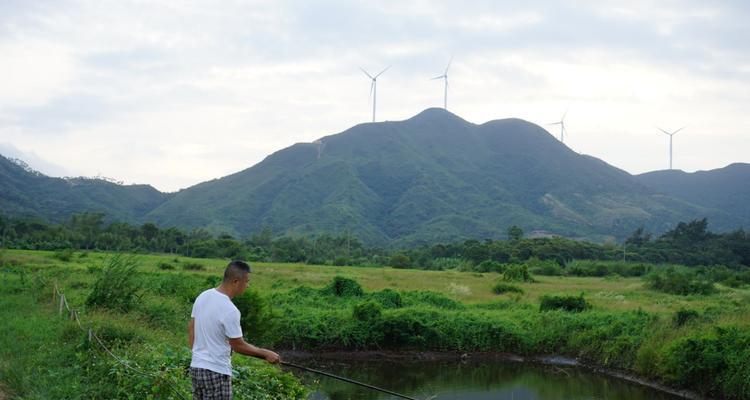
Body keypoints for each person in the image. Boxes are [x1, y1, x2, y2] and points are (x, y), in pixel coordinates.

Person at [189, 260, 280, 400]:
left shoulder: (203, 296)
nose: (247, 286)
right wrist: (265, 354)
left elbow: (191, 328)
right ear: (236, 281)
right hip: (216, 372)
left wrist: (197, 355)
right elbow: (238, 345)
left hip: (196, 368)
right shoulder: (230, 310)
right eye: (247, 281)